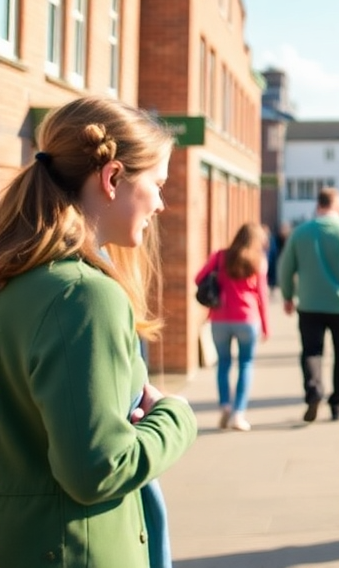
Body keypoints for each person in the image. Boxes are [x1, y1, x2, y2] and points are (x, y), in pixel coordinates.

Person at [0, 96, 198, 567]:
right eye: (157, 183)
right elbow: (96, 470)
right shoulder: (84, 295)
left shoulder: (17, 277)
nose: (162, 203)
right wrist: (176, 418)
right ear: (112, 178)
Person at [276, 187, 339, 423]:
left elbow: (285, 267)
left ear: (318, 206)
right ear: (337, 207)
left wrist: (288, 296)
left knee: (311, 351)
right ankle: (338, 405)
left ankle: (314, 391)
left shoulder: (300, 233)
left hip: (309, 303)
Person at [197, 222, 271, 432]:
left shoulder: (220, 256)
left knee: (223, 363)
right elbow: (262, 296)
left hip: (220, 318)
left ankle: (225, 405)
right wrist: (266, 325)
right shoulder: (258, 261)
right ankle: (239, 413)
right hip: (247, 319)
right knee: (246, 364)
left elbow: (198, 278)